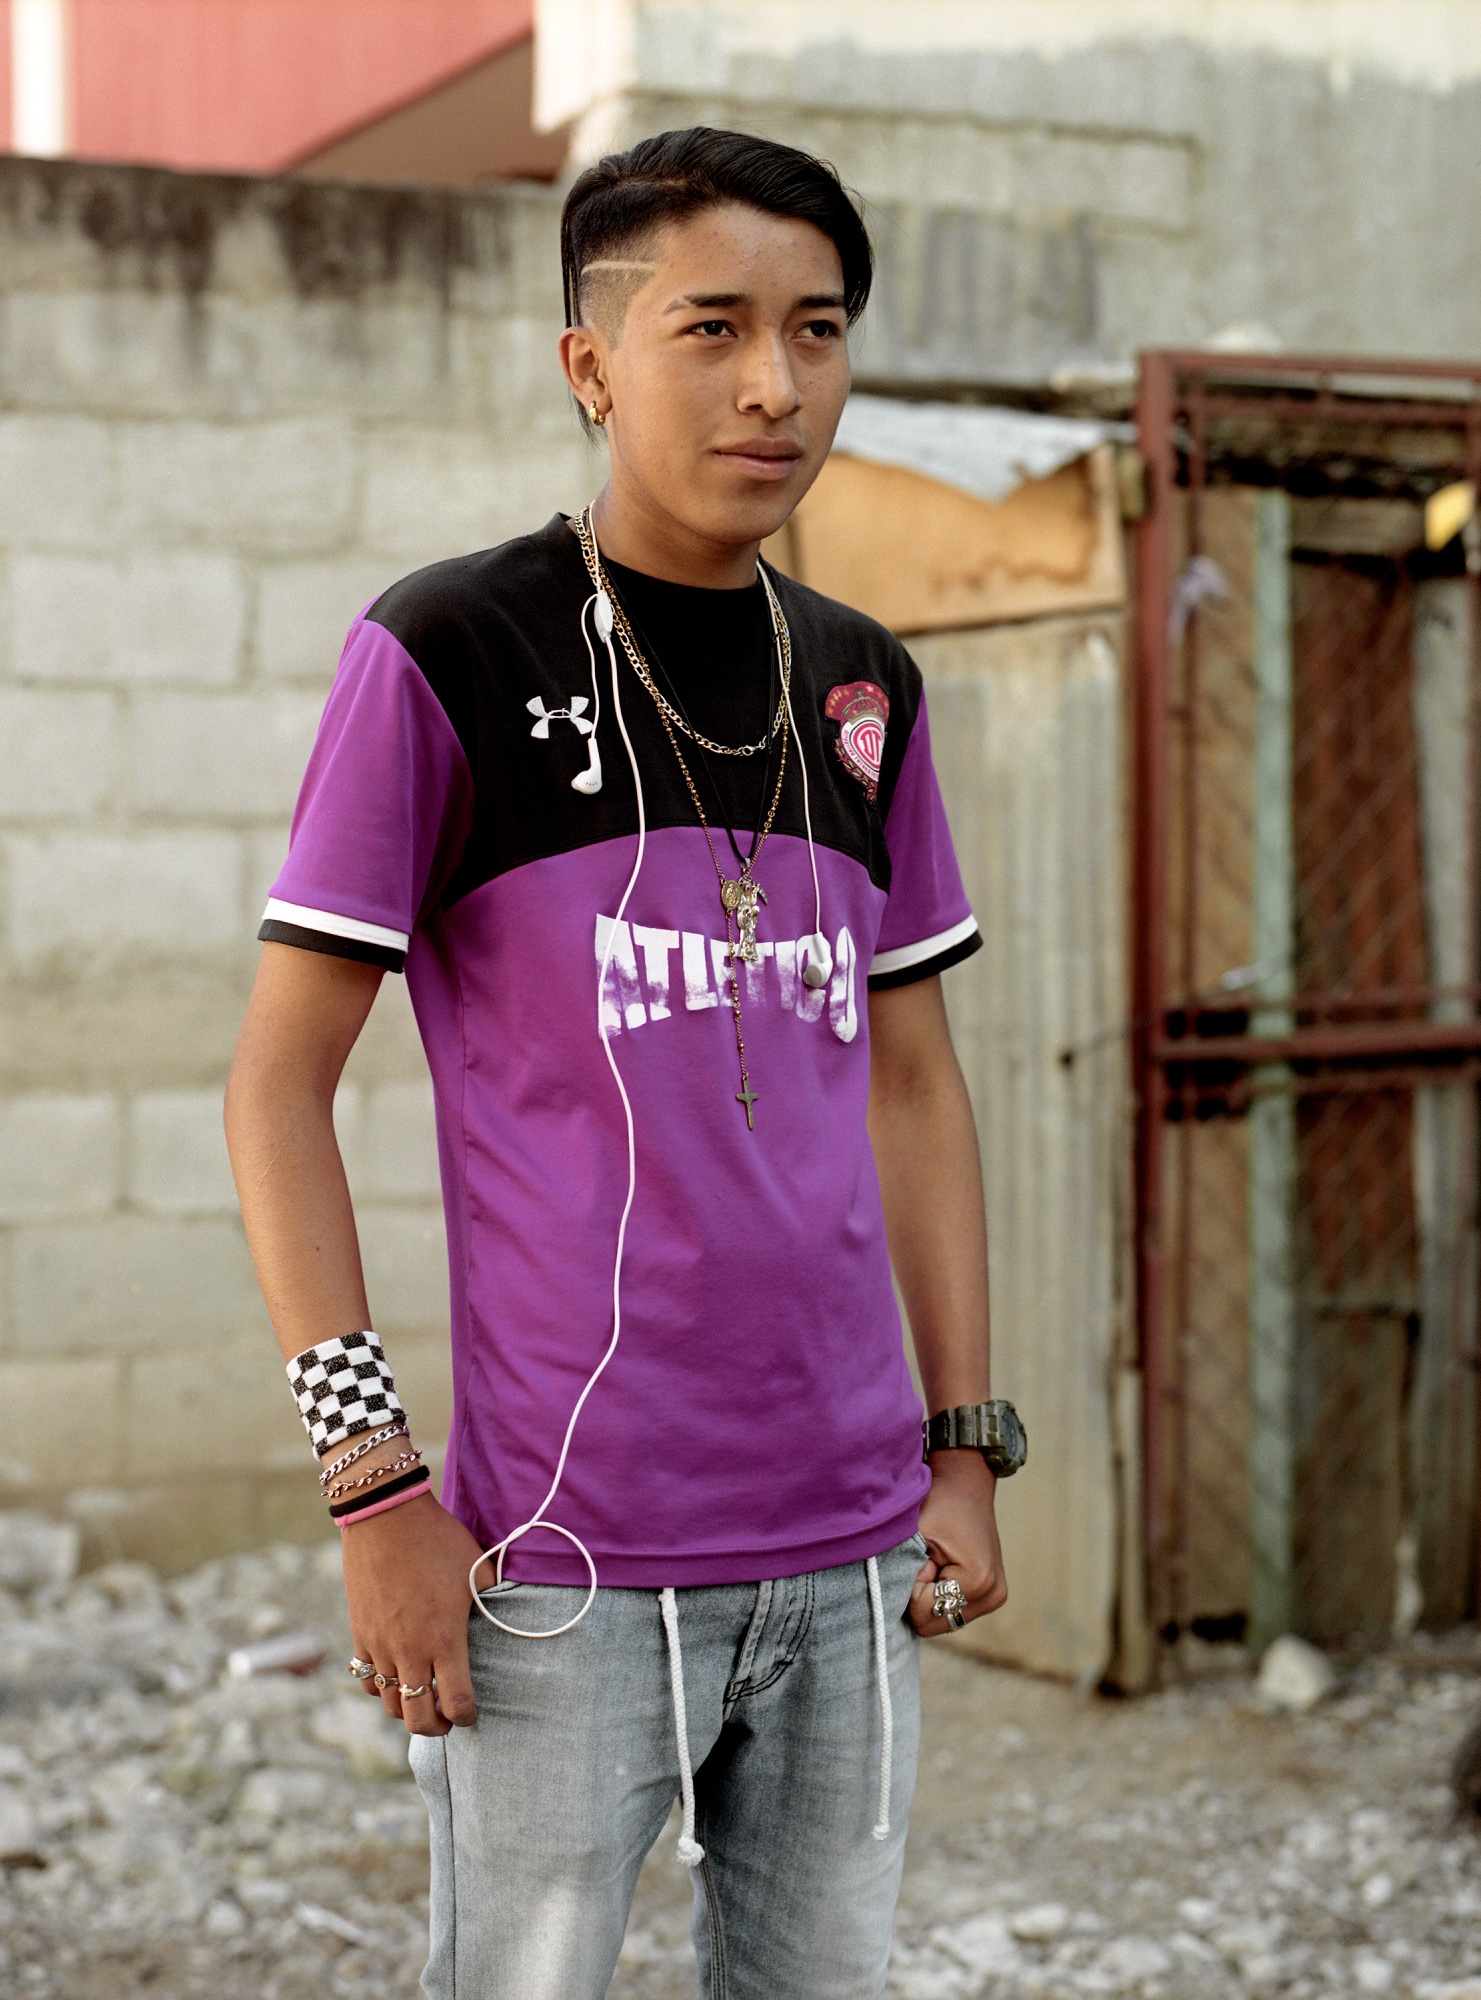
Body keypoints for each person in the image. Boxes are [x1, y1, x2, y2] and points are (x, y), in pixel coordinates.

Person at [224, 124, 1024, 2000]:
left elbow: (914, 1085)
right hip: (560, 1564)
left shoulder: (864, 685)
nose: (775, 384)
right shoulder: (445, 653)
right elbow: (276, 1083)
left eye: (818, 332)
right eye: (713, 328)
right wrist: (372, 1487)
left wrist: (966, 1447)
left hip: (848, 1549)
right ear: (590, 362)